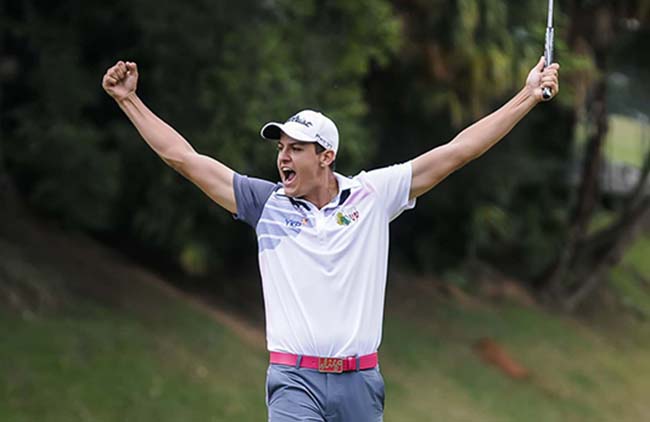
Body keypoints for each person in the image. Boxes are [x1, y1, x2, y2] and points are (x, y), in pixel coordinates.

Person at [102, 57, 559, 421]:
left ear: (326, 156)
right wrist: (129, 101)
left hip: (360, 386)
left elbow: (458, 151)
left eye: (295, 149)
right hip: (293, 382)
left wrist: (526, 95)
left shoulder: (373, 195)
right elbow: (184, 158)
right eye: (280, 147)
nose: (283, 157)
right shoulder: (266, 204)